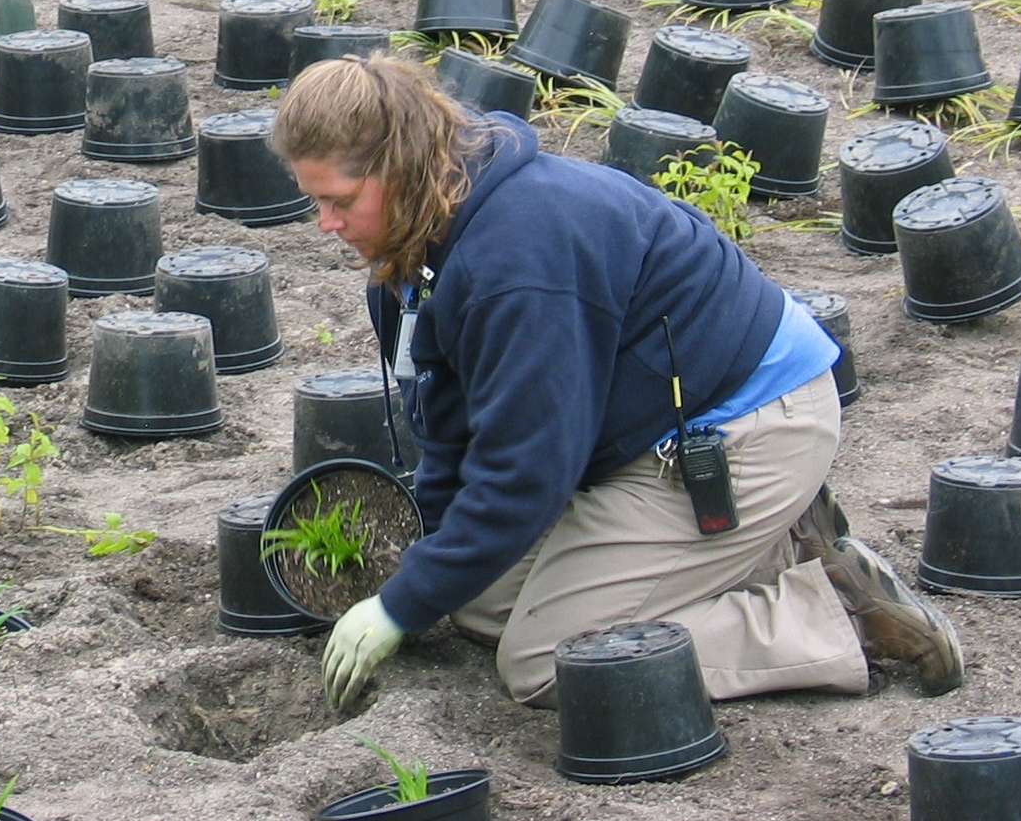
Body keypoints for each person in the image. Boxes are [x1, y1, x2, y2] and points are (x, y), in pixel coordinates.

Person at [271, 54, 965, 711]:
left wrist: (396, 607)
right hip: (640, 427)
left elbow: (527, 470)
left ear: (398, 168)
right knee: (478, 601)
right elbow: (453, 431)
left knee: (548, 660)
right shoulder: (415, 249)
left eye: (341, 200)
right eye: (315, 202)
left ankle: (836, 618)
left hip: (745, 426)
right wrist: (418, 574)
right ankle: (763, 549)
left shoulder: (518, 262)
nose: (326, 225)